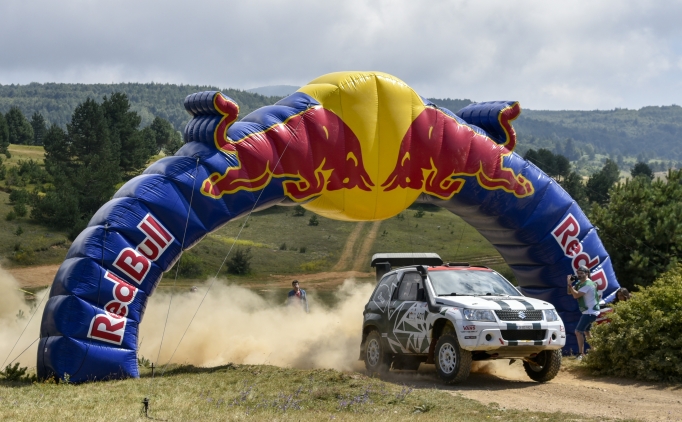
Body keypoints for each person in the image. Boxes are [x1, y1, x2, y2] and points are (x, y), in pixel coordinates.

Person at [566, 265, 600, 360]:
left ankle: (581, 354)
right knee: (587, 332)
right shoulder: (580, 283)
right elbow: (569, 292)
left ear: (587, 273)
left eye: (581, 273)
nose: (579, 275)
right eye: (578, 273)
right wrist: (569, 284)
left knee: (578, 332)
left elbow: (576, 295)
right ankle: (595, 352)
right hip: (590, 312)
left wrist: (570, 285)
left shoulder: (587, 284)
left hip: (589, 312)